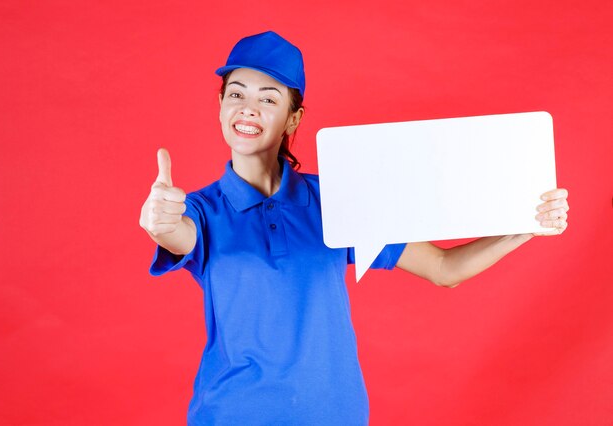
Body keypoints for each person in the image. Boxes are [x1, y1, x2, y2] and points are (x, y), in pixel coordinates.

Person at [139, 31, 570, 425]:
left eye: (269, 98)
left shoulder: (337, 199)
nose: (248, 107)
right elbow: (177, 233)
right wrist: (160, 222)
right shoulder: (199, 210)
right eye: (236, 94)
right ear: (220, 106)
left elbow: (443, 269)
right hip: (232, 414)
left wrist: (525, 226)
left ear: (293, 117)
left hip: (334, 414)